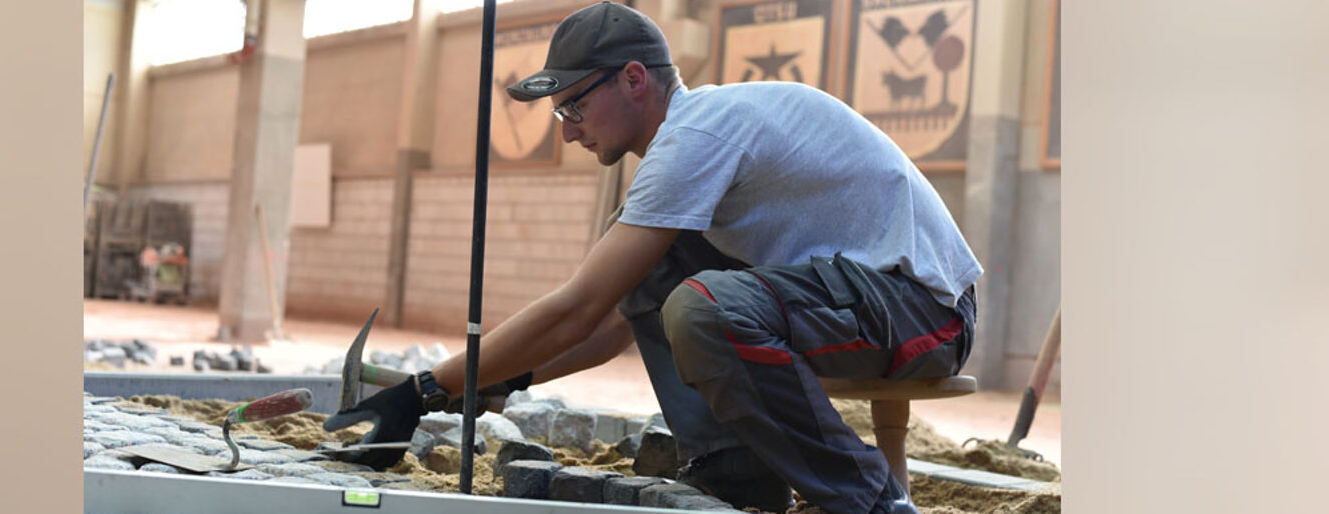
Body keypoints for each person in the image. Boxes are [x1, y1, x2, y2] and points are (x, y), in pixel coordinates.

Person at [324, 3, 981, 513]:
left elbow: (576, 310)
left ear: (635, 79)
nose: (570, 127)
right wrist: (497, 381)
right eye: (560, 114)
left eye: (575, 105)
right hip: (854, 299)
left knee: (704, 310)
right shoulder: (689, 149)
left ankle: (872, 500)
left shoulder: (696, 135)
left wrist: (426, 389)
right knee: (664, 280)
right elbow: (610, 322)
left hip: (925, 308)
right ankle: (736, 473)